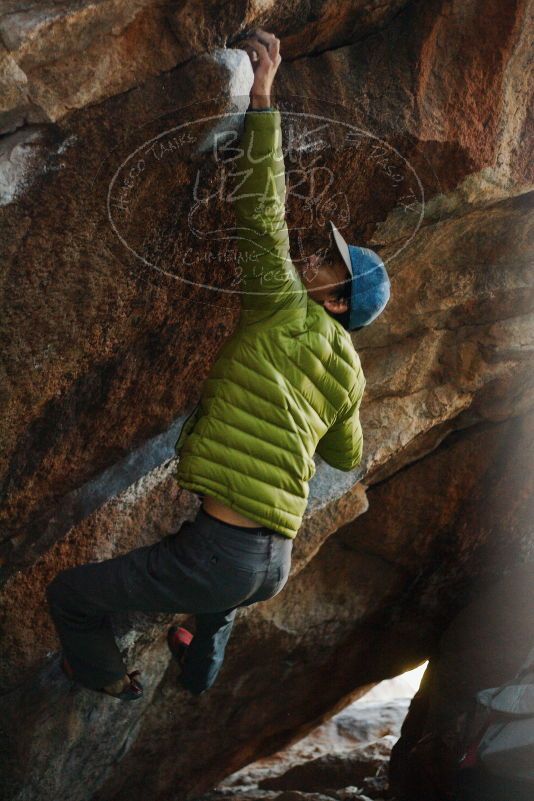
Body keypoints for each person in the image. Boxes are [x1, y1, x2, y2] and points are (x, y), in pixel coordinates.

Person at [45, 28, 390, 701]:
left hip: (221, 556)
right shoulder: (350, 373)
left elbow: (261, 210)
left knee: (73, 595)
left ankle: (107, 676)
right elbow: (347, 452)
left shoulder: (281, 305)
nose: (313, 256)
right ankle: (198, 665)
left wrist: (263, 99)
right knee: (215, 603)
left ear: (338, 297)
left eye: (328, 261)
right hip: (271, 563)